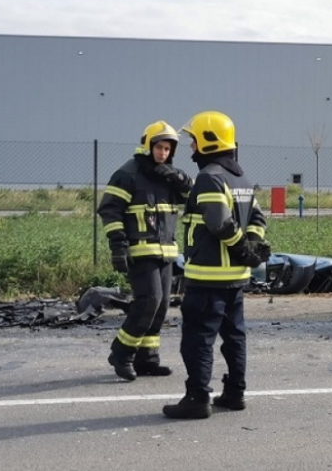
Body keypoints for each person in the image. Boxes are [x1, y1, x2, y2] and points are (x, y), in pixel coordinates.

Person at [163, 111, 270, 420]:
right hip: (236, 280)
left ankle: (197, 398)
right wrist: (249, 249)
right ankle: (235, 394)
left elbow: (219, 223)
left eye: (193, 140)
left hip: (208, 278)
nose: (190, 147)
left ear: (208, 141)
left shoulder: (211, 176)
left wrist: (242, 251)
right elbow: (258, 219)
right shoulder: (242, 178)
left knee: (197, 340)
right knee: (234, 337)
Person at [97, 120, 193, 381]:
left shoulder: (168, 175)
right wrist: (118, 246)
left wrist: (180, 177)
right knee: (148, 301)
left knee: (161, 304)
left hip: (166, 252)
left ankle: (147, 358)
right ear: (148, 146)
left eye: (167, 149)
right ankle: (121, 353)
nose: (163, 153)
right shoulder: (128, 174)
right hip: (140, 251)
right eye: (159, 147)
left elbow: (192, 194)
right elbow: (109, 209)